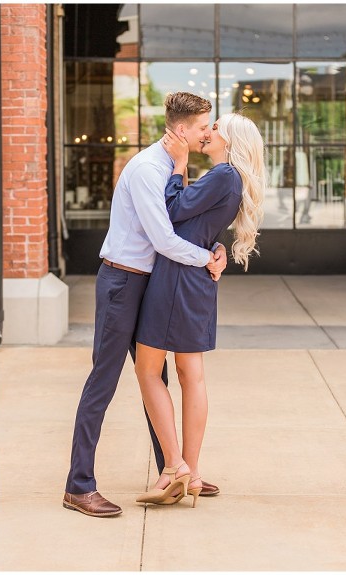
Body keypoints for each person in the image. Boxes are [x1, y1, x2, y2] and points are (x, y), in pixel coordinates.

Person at [63, 93, 227, 518]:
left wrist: (218, 245)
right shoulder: (146, 170)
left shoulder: (175, 167)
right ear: (180, 130)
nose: (209, 132)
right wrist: (206, 259)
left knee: (157, 378)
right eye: (204, 126)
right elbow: (165, 240)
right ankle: (78, 486)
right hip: (122, 283)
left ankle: (176, 470)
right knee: (103, 382)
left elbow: (188, 222)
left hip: (152, 284)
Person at [133, 112, 265, 507]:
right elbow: (200, 224)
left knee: (147, 369)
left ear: (231, 140)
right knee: (192, 375)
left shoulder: (223, 175)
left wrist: (178, 166)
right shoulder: (231, 179)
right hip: (197, 280)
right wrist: (216, 249)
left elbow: (172, 210)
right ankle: (191, 471)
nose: (208, 132)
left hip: (177, 277)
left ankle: (176, 468)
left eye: (216, 127)